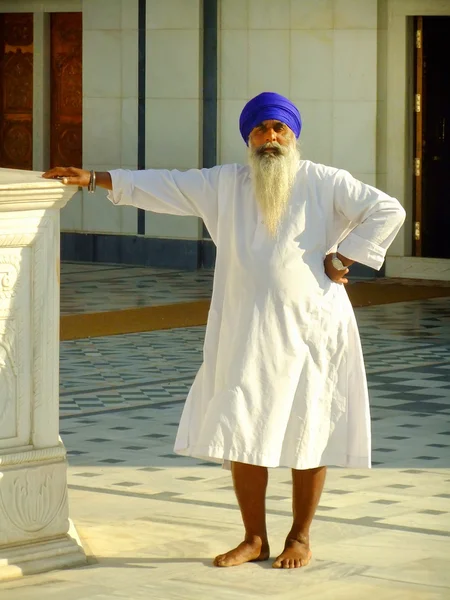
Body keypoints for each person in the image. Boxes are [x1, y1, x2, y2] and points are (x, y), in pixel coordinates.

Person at [43, 92, 406, 570]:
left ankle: (300, 537)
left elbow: (389, 210)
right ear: (248, 139)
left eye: (279, 128)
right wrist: (93, 179)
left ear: (293, 135)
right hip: (244, 328)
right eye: (260, 130)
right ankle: (254, 537)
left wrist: (344, 255)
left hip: (314, 331)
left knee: (311, 425)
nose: (270, 138)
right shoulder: (226, 184)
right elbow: (166, 185)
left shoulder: (325, 181)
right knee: (241, 425)